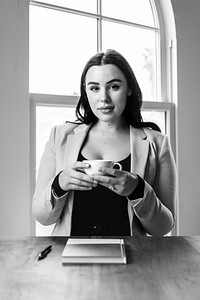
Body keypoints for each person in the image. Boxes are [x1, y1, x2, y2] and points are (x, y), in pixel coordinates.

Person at [32, 49, 176, 236]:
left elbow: (163, 228)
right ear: (86, 91)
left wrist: (138, 190)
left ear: (129, 89)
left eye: (114, 87)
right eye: (94, 88)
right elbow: (42, 217)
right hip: (69, 258)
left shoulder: (157, 143)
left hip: (132, 259)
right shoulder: (59, 136)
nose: (103, 98)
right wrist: (60, 183)